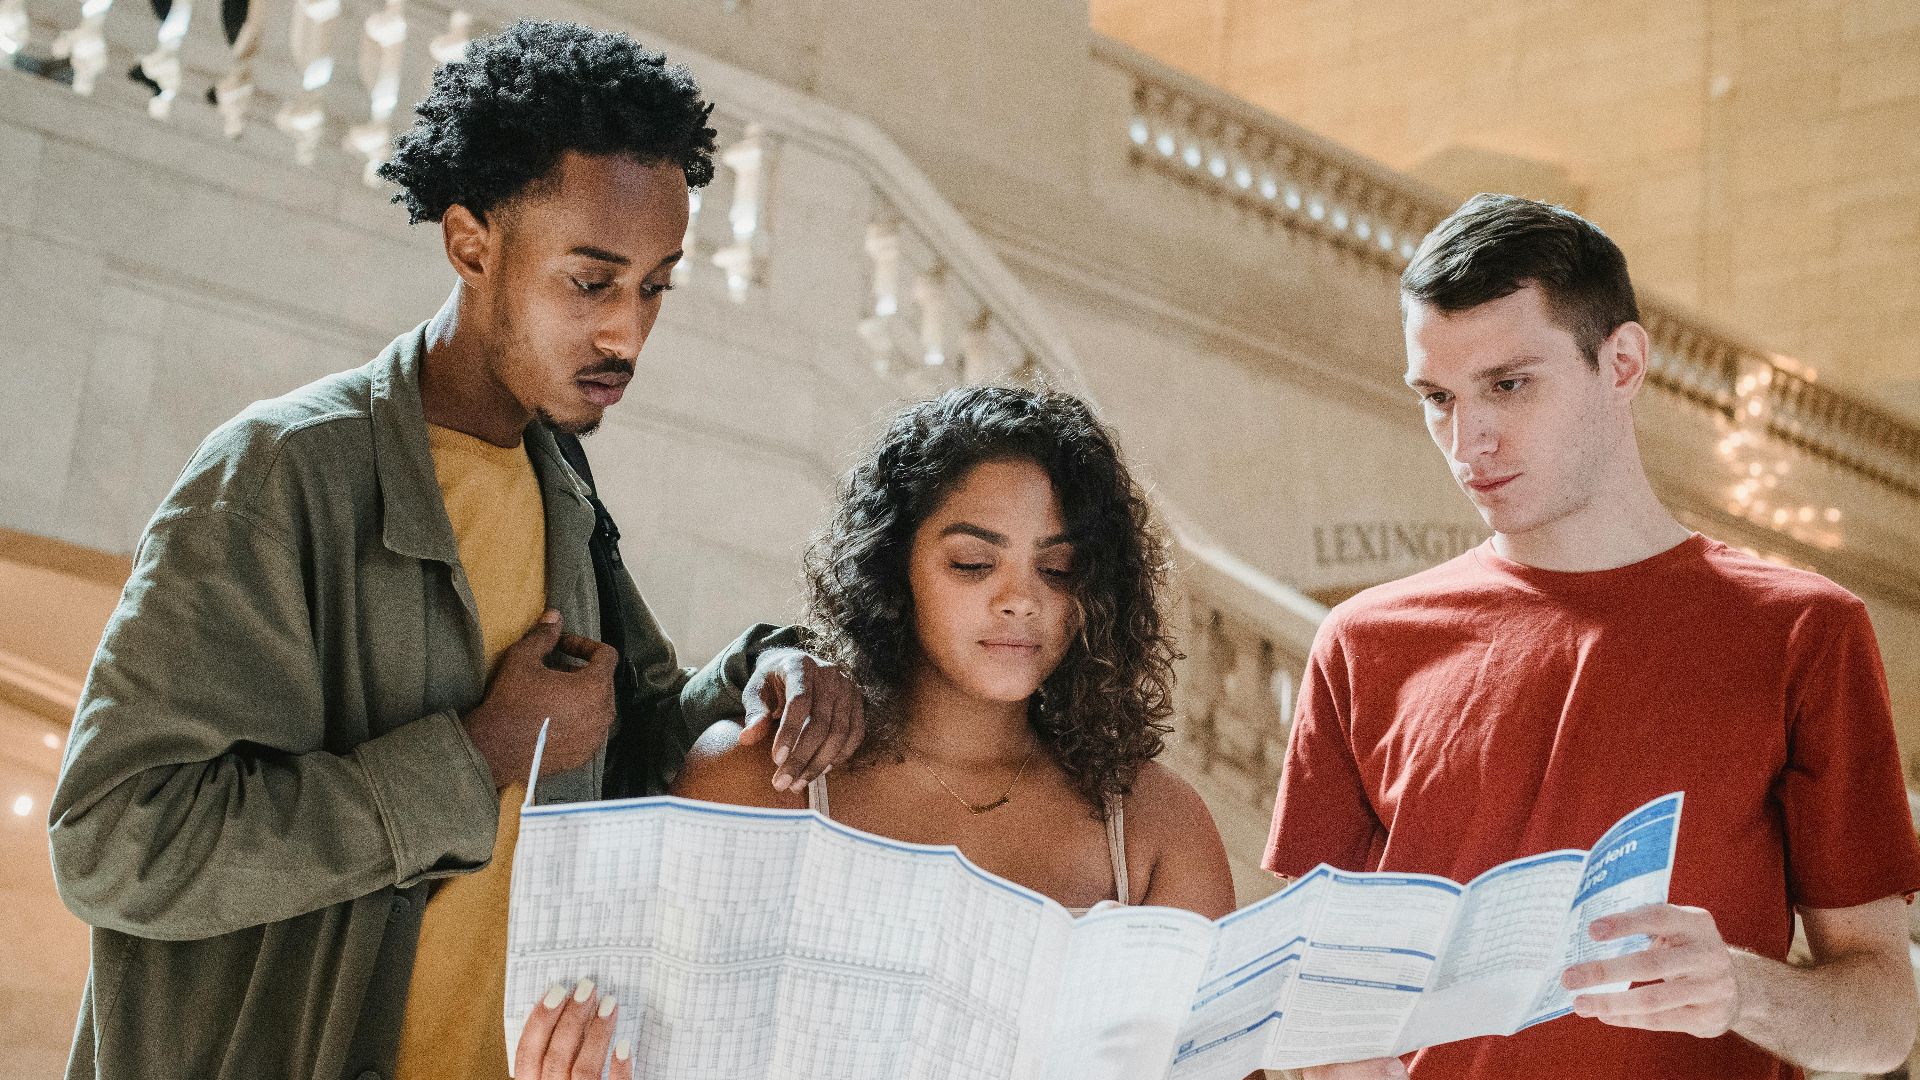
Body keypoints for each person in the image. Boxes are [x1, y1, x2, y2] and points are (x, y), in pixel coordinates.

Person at [46, 21, 862, 1080]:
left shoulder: (559, 481)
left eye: (656, 285)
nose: (628, 333)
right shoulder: (281, 473)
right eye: (591, 281)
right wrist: (473, 752)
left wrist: (769, 670)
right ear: (473, 244)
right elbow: (115, 844)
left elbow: (631, 737)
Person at [1266, 193, 1920, 1080]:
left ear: (1622, 363)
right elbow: (1309, 994)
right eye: (1438, 398)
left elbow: (1886, 1014)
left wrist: (1739, 989)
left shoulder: (1803, 632)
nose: (1470, 440)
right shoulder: (1362, 643)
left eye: (1508, 384)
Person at [681, 385, 1236, 917]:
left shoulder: (1159, 827)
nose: (1021, 600)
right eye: (972, 563)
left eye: (1057, 570)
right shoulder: (754, 778)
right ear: (893, 569)